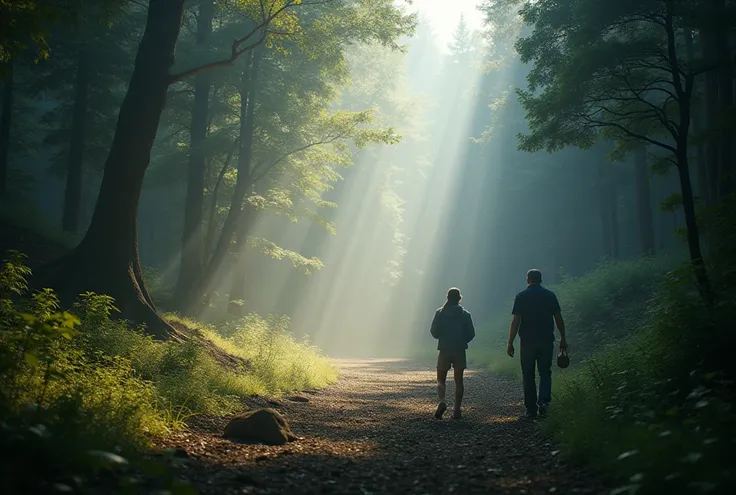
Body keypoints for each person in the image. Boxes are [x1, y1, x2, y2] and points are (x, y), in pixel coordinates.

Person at [506, 269, 567, 419]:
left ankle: (531, 409)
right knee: (545, 372)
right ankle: (544, 403)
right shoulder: (550, 295)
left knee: (528, 374)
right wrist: (563, 338)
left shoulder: (521, 296)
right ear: (541, 280)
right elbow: (558, 318)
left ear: (528, 280)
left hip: (527, 341)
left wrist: (510, 342)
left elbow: (516, 321)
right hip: (546, 340)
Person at [430, 287, 476, 420]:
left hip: (444, 349)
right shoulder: (465, 314)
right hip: (459, 350)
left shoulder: (440, 313)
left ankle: (442, 401)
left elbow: (434, 332)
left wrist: (442, 337)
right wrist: (462, 340)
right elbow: (471, 334)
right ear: (459, 298)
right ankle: (457, 410)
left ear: (447, 298)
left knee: (441, 379)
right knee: (458, 381)